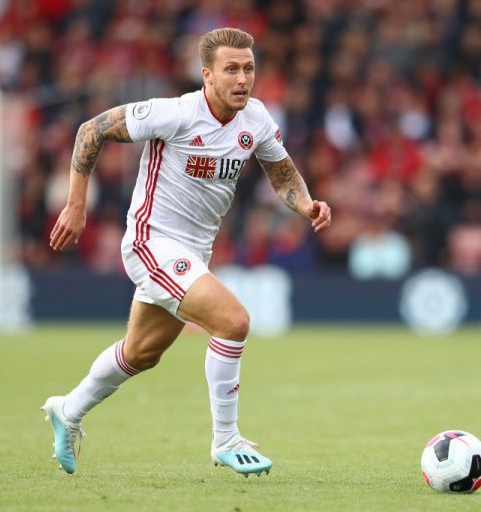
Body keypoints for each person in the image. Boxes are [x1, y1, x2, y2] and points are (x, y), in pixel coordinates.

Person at [41, 27, 331, 477]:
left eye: (248, 68)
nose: (242, 79)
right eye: (231, 69)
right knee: (233, 321)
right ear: (207, 76)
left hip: (193, 251)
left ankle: (68, 410)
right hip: (150, 241)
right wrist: (76, 205)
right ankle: (226, 439)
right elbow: (90, 130)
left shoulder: (255, 119)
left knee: (140, 353)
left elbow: (282, 172)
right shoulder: (174, 113)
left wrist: (306, 205)